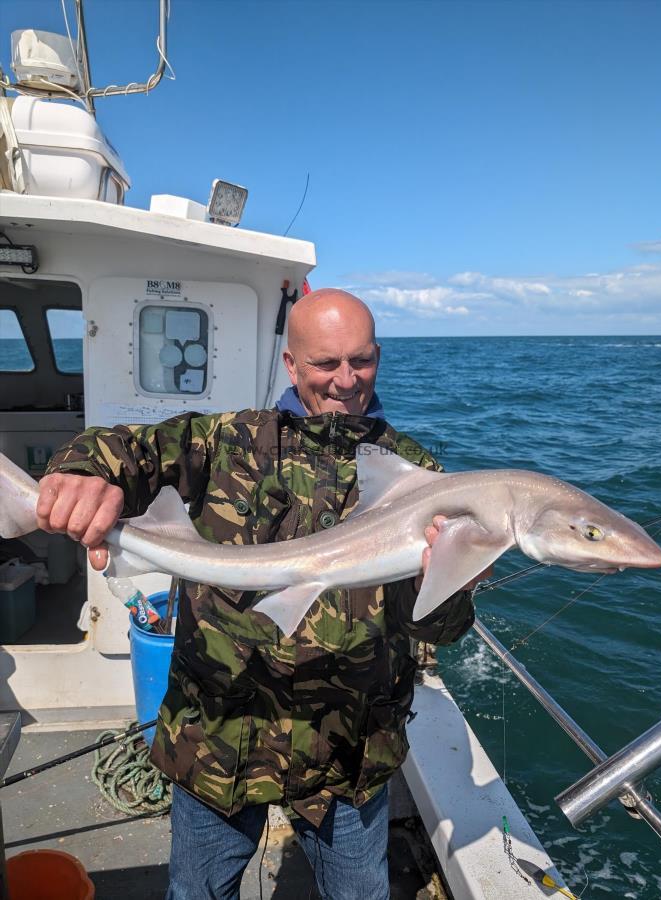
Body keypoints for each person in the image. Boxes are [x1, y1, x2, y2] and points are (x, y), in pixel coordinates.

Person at [37, 289, 484, 900]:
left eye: (363, 361)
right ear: (291, 365)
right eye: (326, 364)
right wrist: (82, 470)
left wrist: (448, 581)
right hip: (219, 737)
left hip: (345, 753)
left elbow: (440, 629)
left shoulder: (416, 475)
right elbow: (131, 449)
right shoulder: (226, 442)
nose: (346, 382)